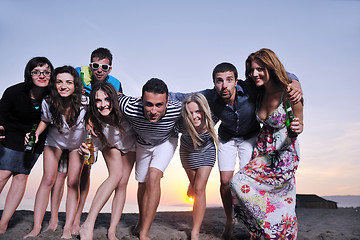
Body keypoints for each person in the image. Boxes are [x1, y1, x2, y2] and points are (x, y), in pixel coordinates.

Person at [170, 62, 302, 239]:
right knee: (225, 181)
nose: (224, 85)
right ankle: (229, 222)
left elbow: (276, 74)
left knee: (246, 184)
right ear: (214, 83)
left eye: (229, 80)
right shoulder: (210, 95)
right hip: (227, 139)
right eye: (219, 81)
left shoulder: (249, 86)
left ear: (236, 80)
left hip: (250, 138)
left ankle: (252, 227)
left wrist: (295, 81)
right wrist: (155, 96)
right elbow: (180, 96)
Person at [46, 47, 128, 235]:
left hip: (96, 132)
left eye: (104, 67)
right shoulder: (77, 74)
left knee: (84, 173)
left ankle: (76, 219)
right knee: (62, 175)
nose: (99, 69)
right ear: (90, 65)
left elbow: (118, 104)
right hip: (69, 130)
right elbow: (59, 88)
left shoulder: (115, 83)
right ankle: (54, 219)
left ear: (110, 69)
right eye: (95, 65)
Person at [230, 48, 303, 239]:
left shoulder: (289, 92)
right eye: (252, 70)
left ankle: (279, 231)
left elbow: (300, 122)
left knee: (243, 184)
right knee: (241, 187)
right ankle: (271, 232)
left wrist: (297, 126)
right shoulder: (258, 91)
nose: (255, 74)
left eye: (260, 69)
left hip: (283, 153)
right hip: (262, 150)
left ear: (270, 66)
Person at [24, 65, 87, 239]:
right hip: (55, 141)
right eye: (59, 82)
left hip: (77, 144)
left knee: (73, 182)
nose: (63, 86)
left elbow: (92, 124)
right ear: (54, 84)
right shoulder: (49, 101)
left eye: (68, 82)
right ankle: (36, 228)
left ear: (75, 85)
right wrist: (36, 133)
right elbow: (44, 120)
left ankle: (67, 227)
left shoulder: (85, 103)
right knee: (48, 179)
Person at [117, 78, 182, 240]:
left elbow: (202, 102)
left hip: (166, 141)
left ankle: (144, 232)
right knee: (142, 183)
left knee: (154, 176)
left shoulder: (178, 108)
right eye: (149, 104)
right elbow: (113, 95)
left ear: (168, 101)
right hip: (142, 143)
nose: (153, 111)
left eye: (159, 105)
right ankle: (141, 220)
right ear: (141, 100)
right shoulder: (129, 106)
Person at [0, 57, 54, 236]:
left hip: (34, 137)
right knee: (3, 174)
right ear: (29, 74)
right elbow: (1, 113)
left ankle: (4, 222)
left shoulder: (52, 95)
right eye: (37, 72)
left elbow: (49, 120)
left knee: (21, 176)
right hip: (11, 134)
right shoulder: (13, 91)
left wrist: (35, 134)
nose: (42, 75)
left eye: (46, 72)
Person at [77, 82, 136, 240]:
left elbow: (140, 102)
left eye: (107, 99)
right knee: (116, 175)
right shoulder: (94, 124)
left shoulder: (125, 110)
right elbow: (92, 158)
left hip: (131, 144)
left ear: (114, 98)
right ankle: (87, 224)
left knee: (123, 184)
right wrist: (86, 154)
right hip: (110, 145)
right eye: (98, 101)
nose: (103, 105)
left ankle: (112, 231)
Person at [179, 93, 218, 240]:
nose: (194, 116)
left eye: (198, 111)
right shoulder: (180, 121)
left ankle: (195, 231)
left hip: (207, 150)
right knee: (195, 187)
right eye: (190, 113)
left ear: (204, 111)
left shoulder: (212, 117)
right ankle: (191, 183)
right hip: (187, 151)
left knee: (200, 188)